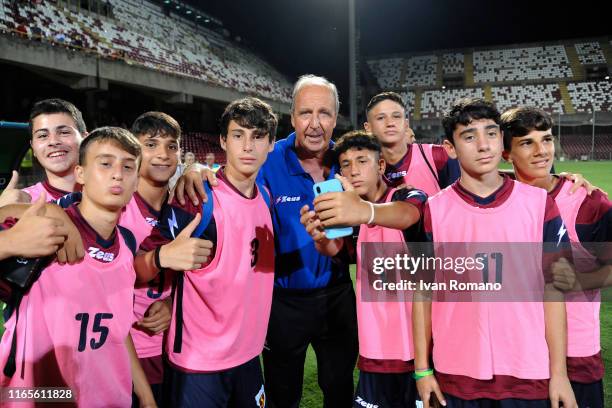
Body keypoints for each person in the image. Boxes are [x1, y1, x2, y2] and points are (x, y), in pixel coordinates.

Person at [170, 75, 359, 407]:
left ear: (337, 117)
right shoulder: (269, 157)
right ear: (292, 117)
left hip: (338, 295)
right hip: (282, 303)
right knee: (281, 394)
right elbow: (228, 176)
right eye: (306, 113)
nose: (315, 124)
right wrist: (196, 170)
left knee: (341, 390)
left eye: (325, 113)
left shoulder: (349, 161)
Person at [412, 98, 577, 408]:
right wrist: (422, 370)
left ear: (501, 139)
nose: (483, 145)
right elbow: (422, 295)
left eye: (490, 133)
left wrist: (559, 374)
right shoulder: (433, 210)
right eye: (469, 136)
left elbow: (555, 291)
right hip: (455, 376)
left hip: (528, 373)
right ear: (450, 148)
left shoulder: (540, 204)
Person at [135, 97, 276, 407]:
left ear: (271, 144)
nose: (248, 146)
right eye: (238, 135)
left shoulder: (265, 197)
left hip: (249, 356)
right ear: (223, 141)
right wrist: (162, 259)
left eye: (258, 136)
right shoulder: (197, 197)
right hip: (199, 364)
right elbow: (136, 266)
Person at [0, 127, 156, 407]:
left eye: (128, 166)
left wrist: (145, 394)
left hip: (113, 398)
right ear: (80, 174)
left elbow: (117, 327)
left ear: (136, 182)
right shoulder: (43, 227)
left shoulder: (128, 242)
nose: (118, 173)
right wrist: (8, 242)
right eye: (105, 163)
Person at [300, 130, 427, 408]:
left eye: (362, 161)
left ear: (380, 165)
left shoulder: (408, 195)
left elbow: (408, 215)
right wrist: (321, 240)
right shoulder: (352, 218)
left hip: (418, 350)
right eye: (345, 164)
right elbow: (341, 254)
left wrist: (366, 211)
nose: (353, 170)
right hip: (375, 350)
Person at [502, 107, 610, 408]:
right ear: (506, 153)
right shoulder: (497, 196)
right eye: (527, 143)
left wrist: (578, 281)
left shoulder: (587, 201)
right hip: (517, 354)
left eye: (546, 140)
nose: (541, 151)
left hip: (574, 354)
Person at [364, 91, 460, 195]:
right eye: (381, 118)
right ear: (368, 128)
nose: (390, 123)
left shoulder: (438, 156)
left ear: (406, 124)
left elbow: (463, 203)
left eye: (396, 116)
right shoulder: (362, 170)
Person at [23, 98, 87, 202]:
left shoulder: (114, 195)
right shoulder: (21, 203)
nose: (53, 141)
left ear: (85, 140)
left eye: (64, 132)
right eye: (43, 135)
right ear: (33, 147)